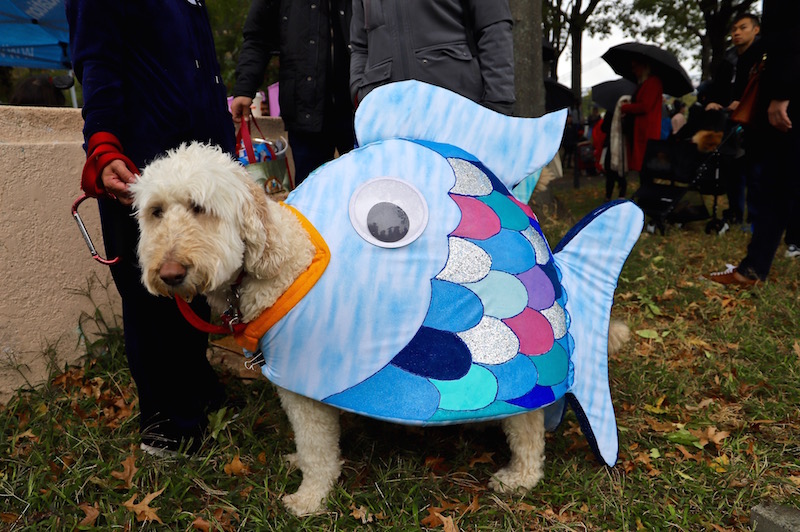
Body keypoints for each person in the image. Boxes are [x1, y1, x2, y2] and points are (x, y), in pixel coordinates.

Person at [66, 0, 236, 454]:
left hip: (199, 170)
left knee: (195, 285)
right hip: (143, 174)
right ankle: (167, 426)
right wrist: (103, 144)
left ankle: (197, 392)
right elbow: (96, 59)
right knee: (151, 299)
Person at [707, 0, 800, 286]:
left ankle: (754, 268)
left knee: (779, 181)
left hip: (787, 94)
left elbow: (791, 30)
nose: (736, 32)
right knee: (778, 183)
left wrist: (783, 89)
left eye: (742, 27)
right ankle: (753, 267)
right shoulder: (733, 61)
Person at [231, 0, 355, 186]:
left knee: (366, 190)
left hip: (357, 105)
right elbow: (258, 36)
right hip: (304, 108)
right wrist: (244, 88)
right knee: (310, 196)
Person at [349, 0, 515, 115]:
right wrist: (360, 94)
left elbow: (493, 27)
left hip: (458, 112)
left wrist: (498, 105)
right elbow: (360, 46)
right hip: (387, 121)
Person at [705, 13, 764, 227]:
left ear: (755, 30)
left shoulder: (762, 57)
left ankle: (755, 218)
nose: (737, 32)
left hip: (756, 123)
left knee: (755, 172)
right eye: (734, 29)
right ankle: (736, 213)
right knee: (733, 170)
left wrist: (744, 102)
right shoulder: (728, 60)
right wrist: (712, 101)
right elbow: (716, 88)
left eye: (743, 27)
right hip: (730, 122)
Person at [620, 59, 664, 173]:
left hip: (646, 130)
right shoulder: (644, 83)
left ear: (644, 67)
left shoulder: (653, 82)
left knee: (646, 165)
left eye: (635, 67)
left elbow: (645, 106)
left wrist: (626, 107)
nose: (633, 71)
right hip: (641, 129)